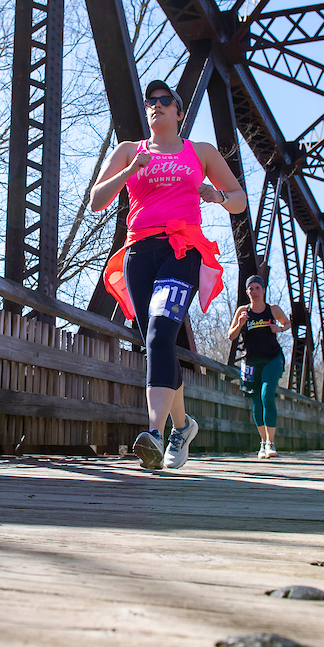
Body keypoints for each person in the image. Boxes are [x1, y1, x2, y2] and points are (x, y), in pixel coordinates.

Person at [92, 79, 247, 470]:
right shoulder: (130, 151)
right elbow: (96, 201)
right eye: (151, 101)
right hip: (139, 253)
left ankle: (154, 435)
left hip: (183, 250)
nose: (156, 105)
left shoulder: (202, 152)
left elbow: (240, 199)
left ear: (179, 111)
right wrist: (129, 170)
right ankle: (183, 425)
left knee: (161, 331)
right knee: (156, 344)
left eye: (166, 100)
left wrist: (218, 197)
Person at [227, 275, 291, 459]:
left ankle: (271, 443)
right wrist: (240, 323)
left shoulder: (273, 309)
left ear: (263, 290)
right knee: (256, 401)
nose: (254, 291)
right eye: (251, 289)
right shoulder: (242, 311)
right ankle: (263, 443)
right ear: (247, 292)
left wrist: (279, 329)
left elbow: (287, 323)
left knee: (267, 395)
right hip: (251, 361)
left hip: (272, 358)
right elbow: (231, 336)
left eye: (257, 288)